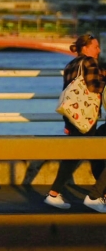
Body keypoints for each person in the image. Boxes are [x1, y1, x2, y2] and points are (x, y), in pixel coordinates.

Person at [44, 33, 106, 212]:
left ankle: (54, 195)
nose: (99, 50)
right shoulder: (89, 62)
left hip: (72, 116)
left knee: (77, 155)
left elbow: (69, 92)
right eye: (95, 46)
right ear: (85, 48)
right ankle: (93, 197)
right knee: (86, 154)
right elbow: (96, 86)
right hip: (86, 116)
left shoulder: (71, 64)